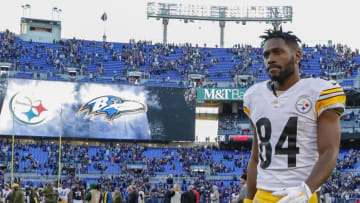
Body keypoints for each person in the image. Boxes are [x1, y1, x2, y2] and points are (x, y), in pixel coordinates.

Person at [243, 27, 346, 203]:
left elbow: (330, 150)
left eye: (278, 52)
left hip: (300, 193)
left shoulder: (319, 91)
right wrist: (248, 199)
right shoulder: (253, 96)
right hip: (262, 194)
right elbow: (255, 157)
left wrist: (306, 189)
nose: (271, 59)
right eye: (266, 55)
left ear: (297, 56)